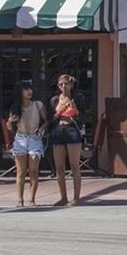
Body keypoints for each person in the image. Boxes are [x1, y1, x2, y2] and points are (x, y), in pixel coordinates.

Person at [7, 80, 48, 207]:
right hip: (20, 138)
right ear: (20, 91)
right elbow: (9, 127)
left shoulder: (38, 105)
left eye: (30, 89)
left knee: (34, 171)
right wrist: (9, 121)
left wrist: (41, 129)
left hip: (34, 138)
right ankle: (20, 200)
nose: (29, 91)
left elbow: (46, 121)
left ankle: (32, 199)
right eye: (26, 89)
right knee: (21, 171)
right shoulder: (15, 107)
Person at [49, 74, 86, 205]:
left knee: (75, 166)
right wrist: (59, 112)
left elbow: (82, 119)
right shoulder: (54, 100)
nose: (63, 87)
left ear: (71, 85)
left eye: (66, 84)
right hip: (58, 130)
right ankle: (63, 197)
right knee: (59, 167)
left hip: (72, 129)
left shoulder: (78, 98)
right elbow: (50, 121)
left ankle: (76, 198)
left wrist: (75, 110)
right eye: (61, 84)